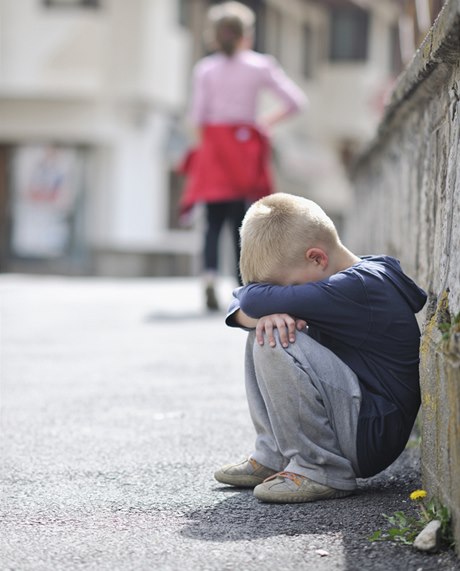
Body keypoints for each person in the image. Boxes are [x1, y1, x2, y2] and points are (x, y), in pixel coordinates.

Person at [215, 193, 427, 503]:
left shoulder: (357, 287)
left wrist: (264, 309)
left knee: (273, 336)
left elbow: (250, 300)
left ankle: (321, 468)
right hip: (359, 416)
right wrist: (267, 311)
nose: (281, 297)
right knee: (265, 327)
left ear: (317, 258)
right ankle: (274, 456)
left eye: (284, 290)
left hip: (370, 432)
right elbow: (244, 300)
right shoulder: (352, 274)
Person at [179, 2, 306, 311]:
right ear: (245, 33)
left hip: (213, 146)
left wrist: (205, 148)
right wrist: (263, 124)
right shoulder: (260, 65)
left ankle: (208, 277)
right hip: (243, 145)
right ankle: (243, 288)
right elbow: (295, 102)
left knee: (212, 222)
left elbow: (197, 116)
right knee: (242, 220)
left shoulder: (205, 69)